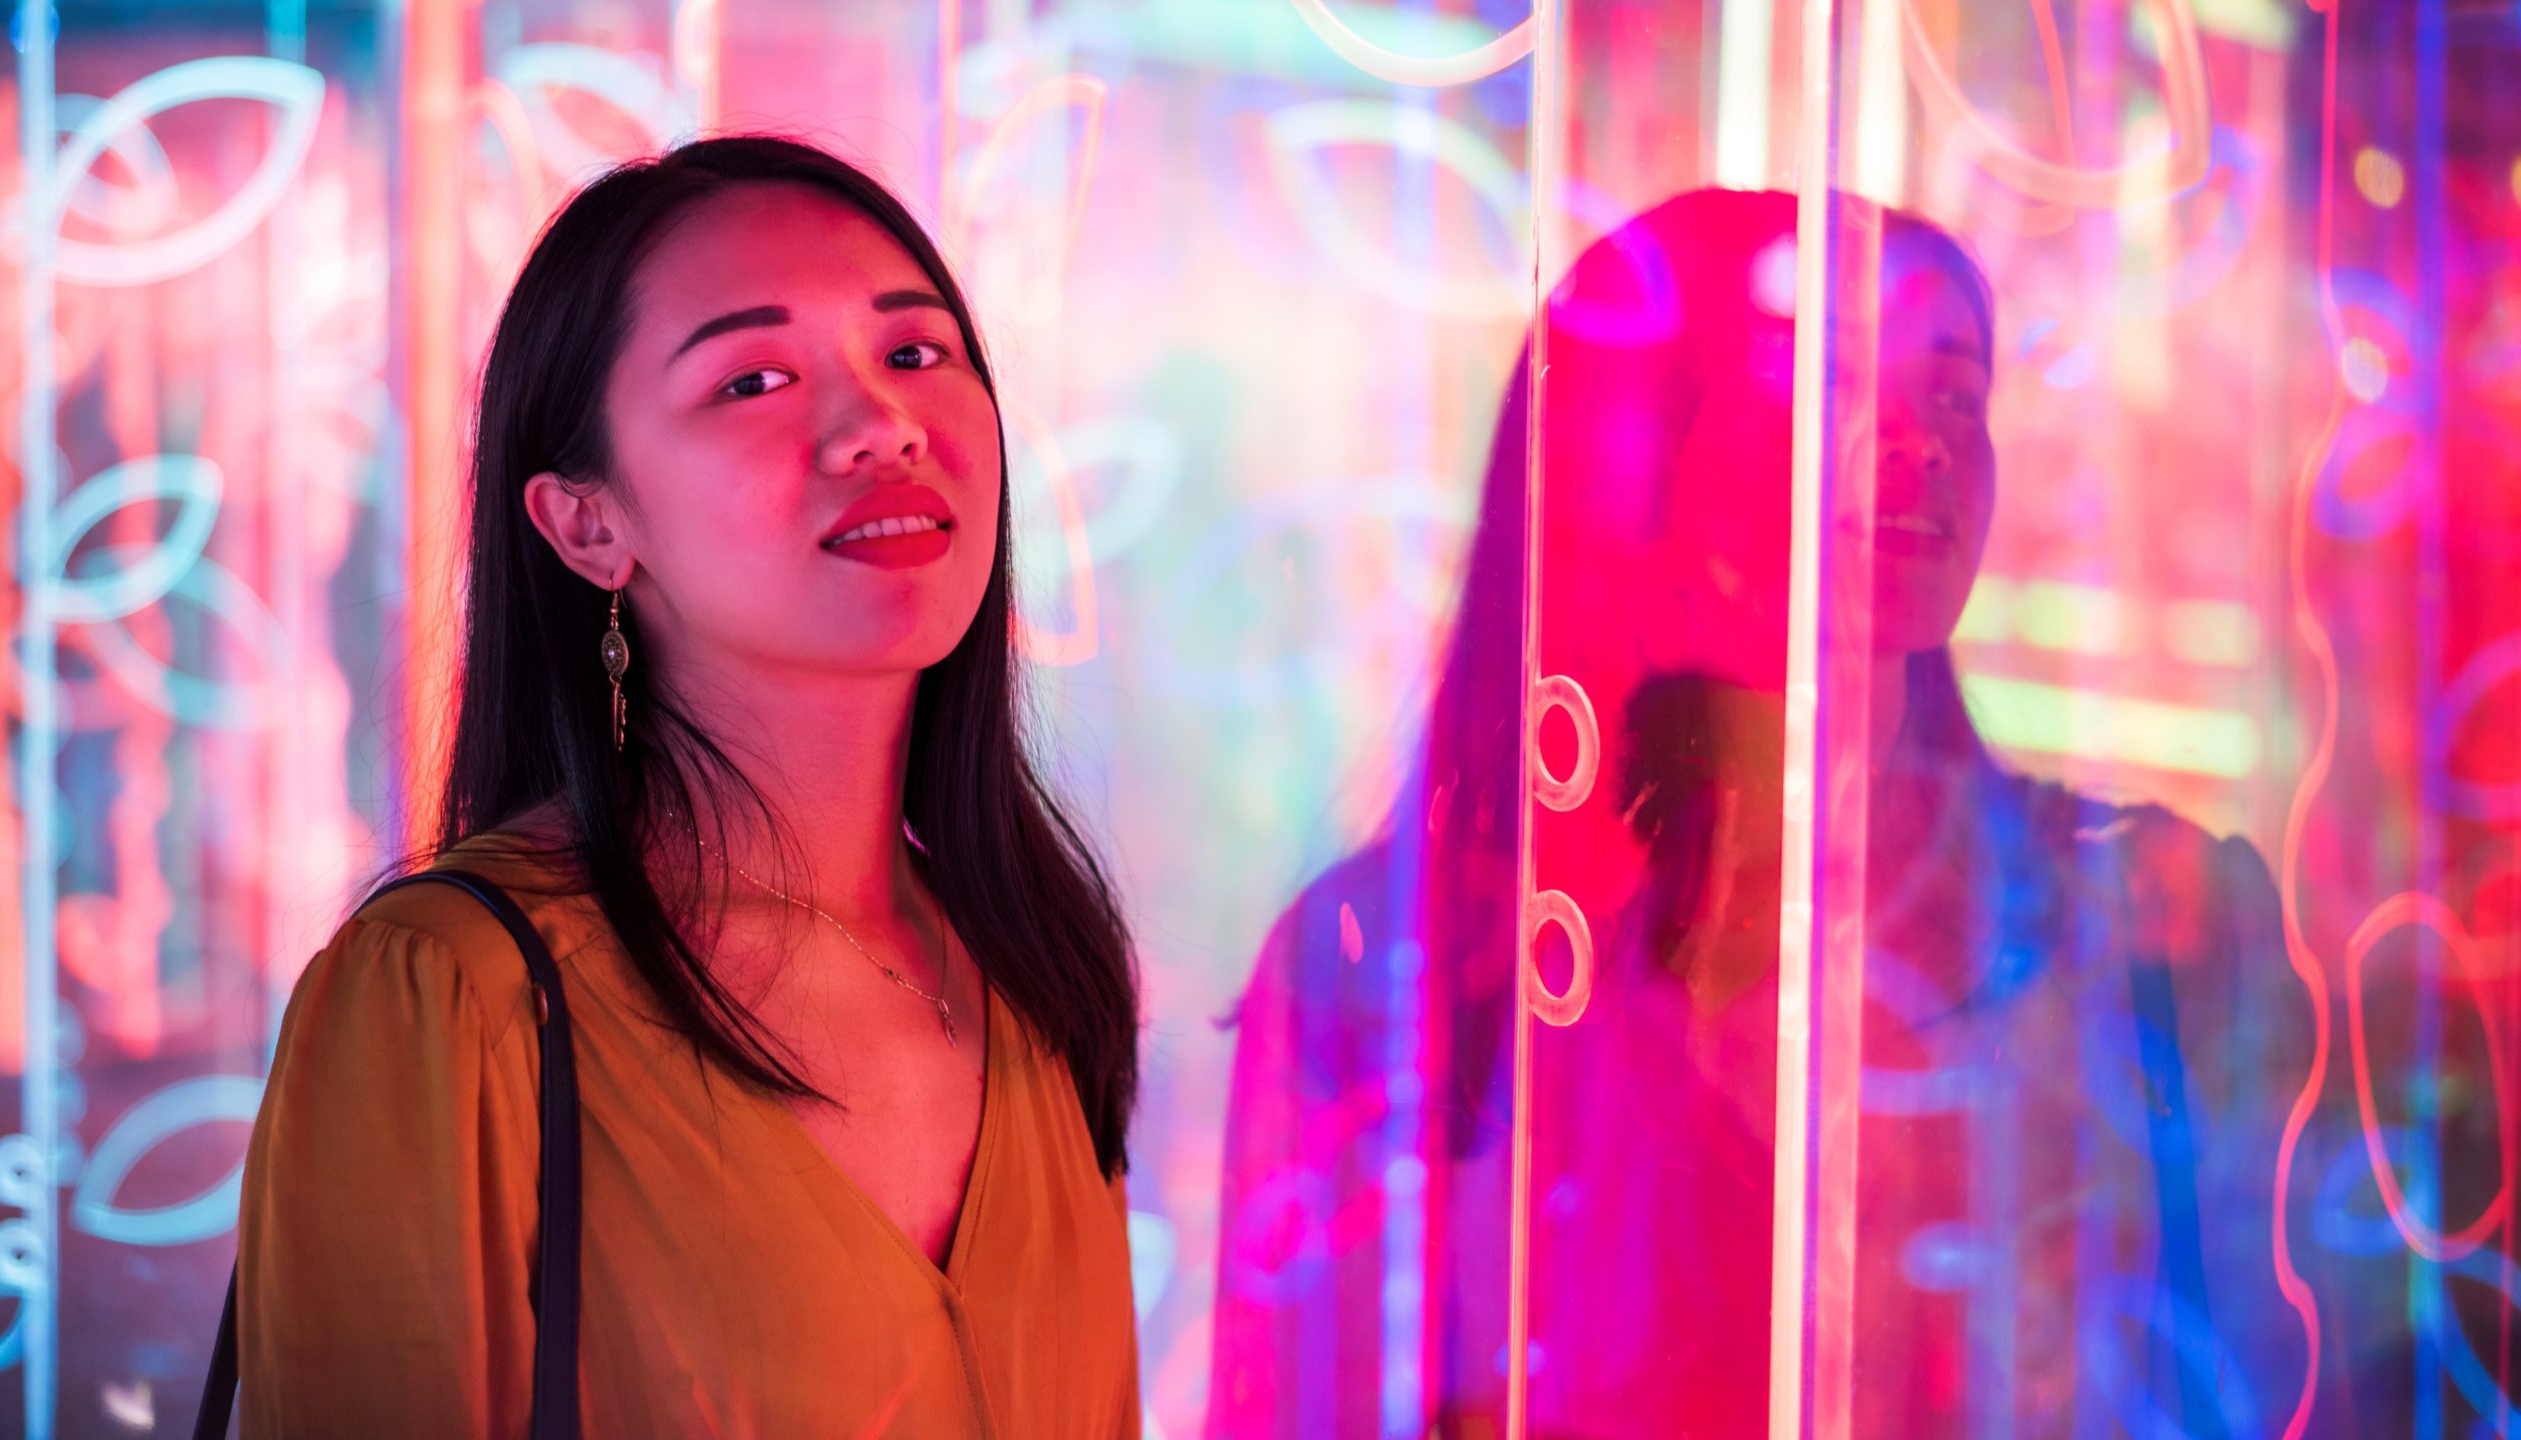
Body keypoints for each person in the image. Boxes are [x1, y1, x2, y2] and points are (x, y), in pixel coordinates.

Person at [1212, 189, 2304, 1436]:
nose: (1919, 441)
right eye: (1835, 381)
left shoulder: (2138, 921)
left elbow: (2265, 1376)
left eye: (1954, 391)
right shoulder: (1390, 970)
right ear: (1637, 455)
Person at [238, 135, 1142, 1437]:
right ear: (587, 524)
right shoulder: (450, 999)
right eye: (753, 378)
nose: (882, 424)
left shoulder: (1036, 972)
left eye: (914, 352)